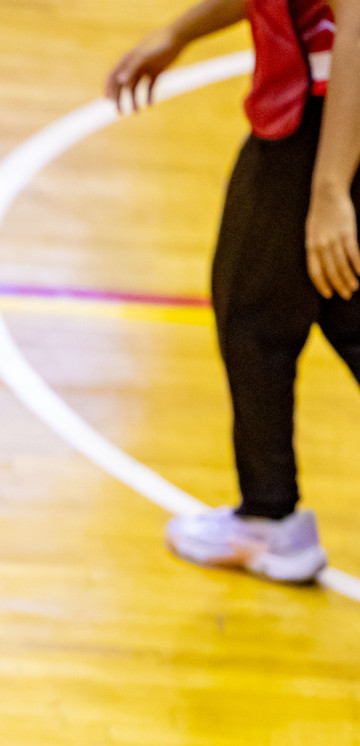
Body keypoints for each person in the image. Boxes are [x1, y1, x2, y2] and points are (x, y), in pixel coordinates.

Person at [107, 0, 360, 583]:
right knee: (347, 309)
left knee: (252, 314)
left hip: (323, 122)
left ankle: (270, 518)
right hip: (328, 121)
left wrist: (329, 189)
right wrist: (179, 33)